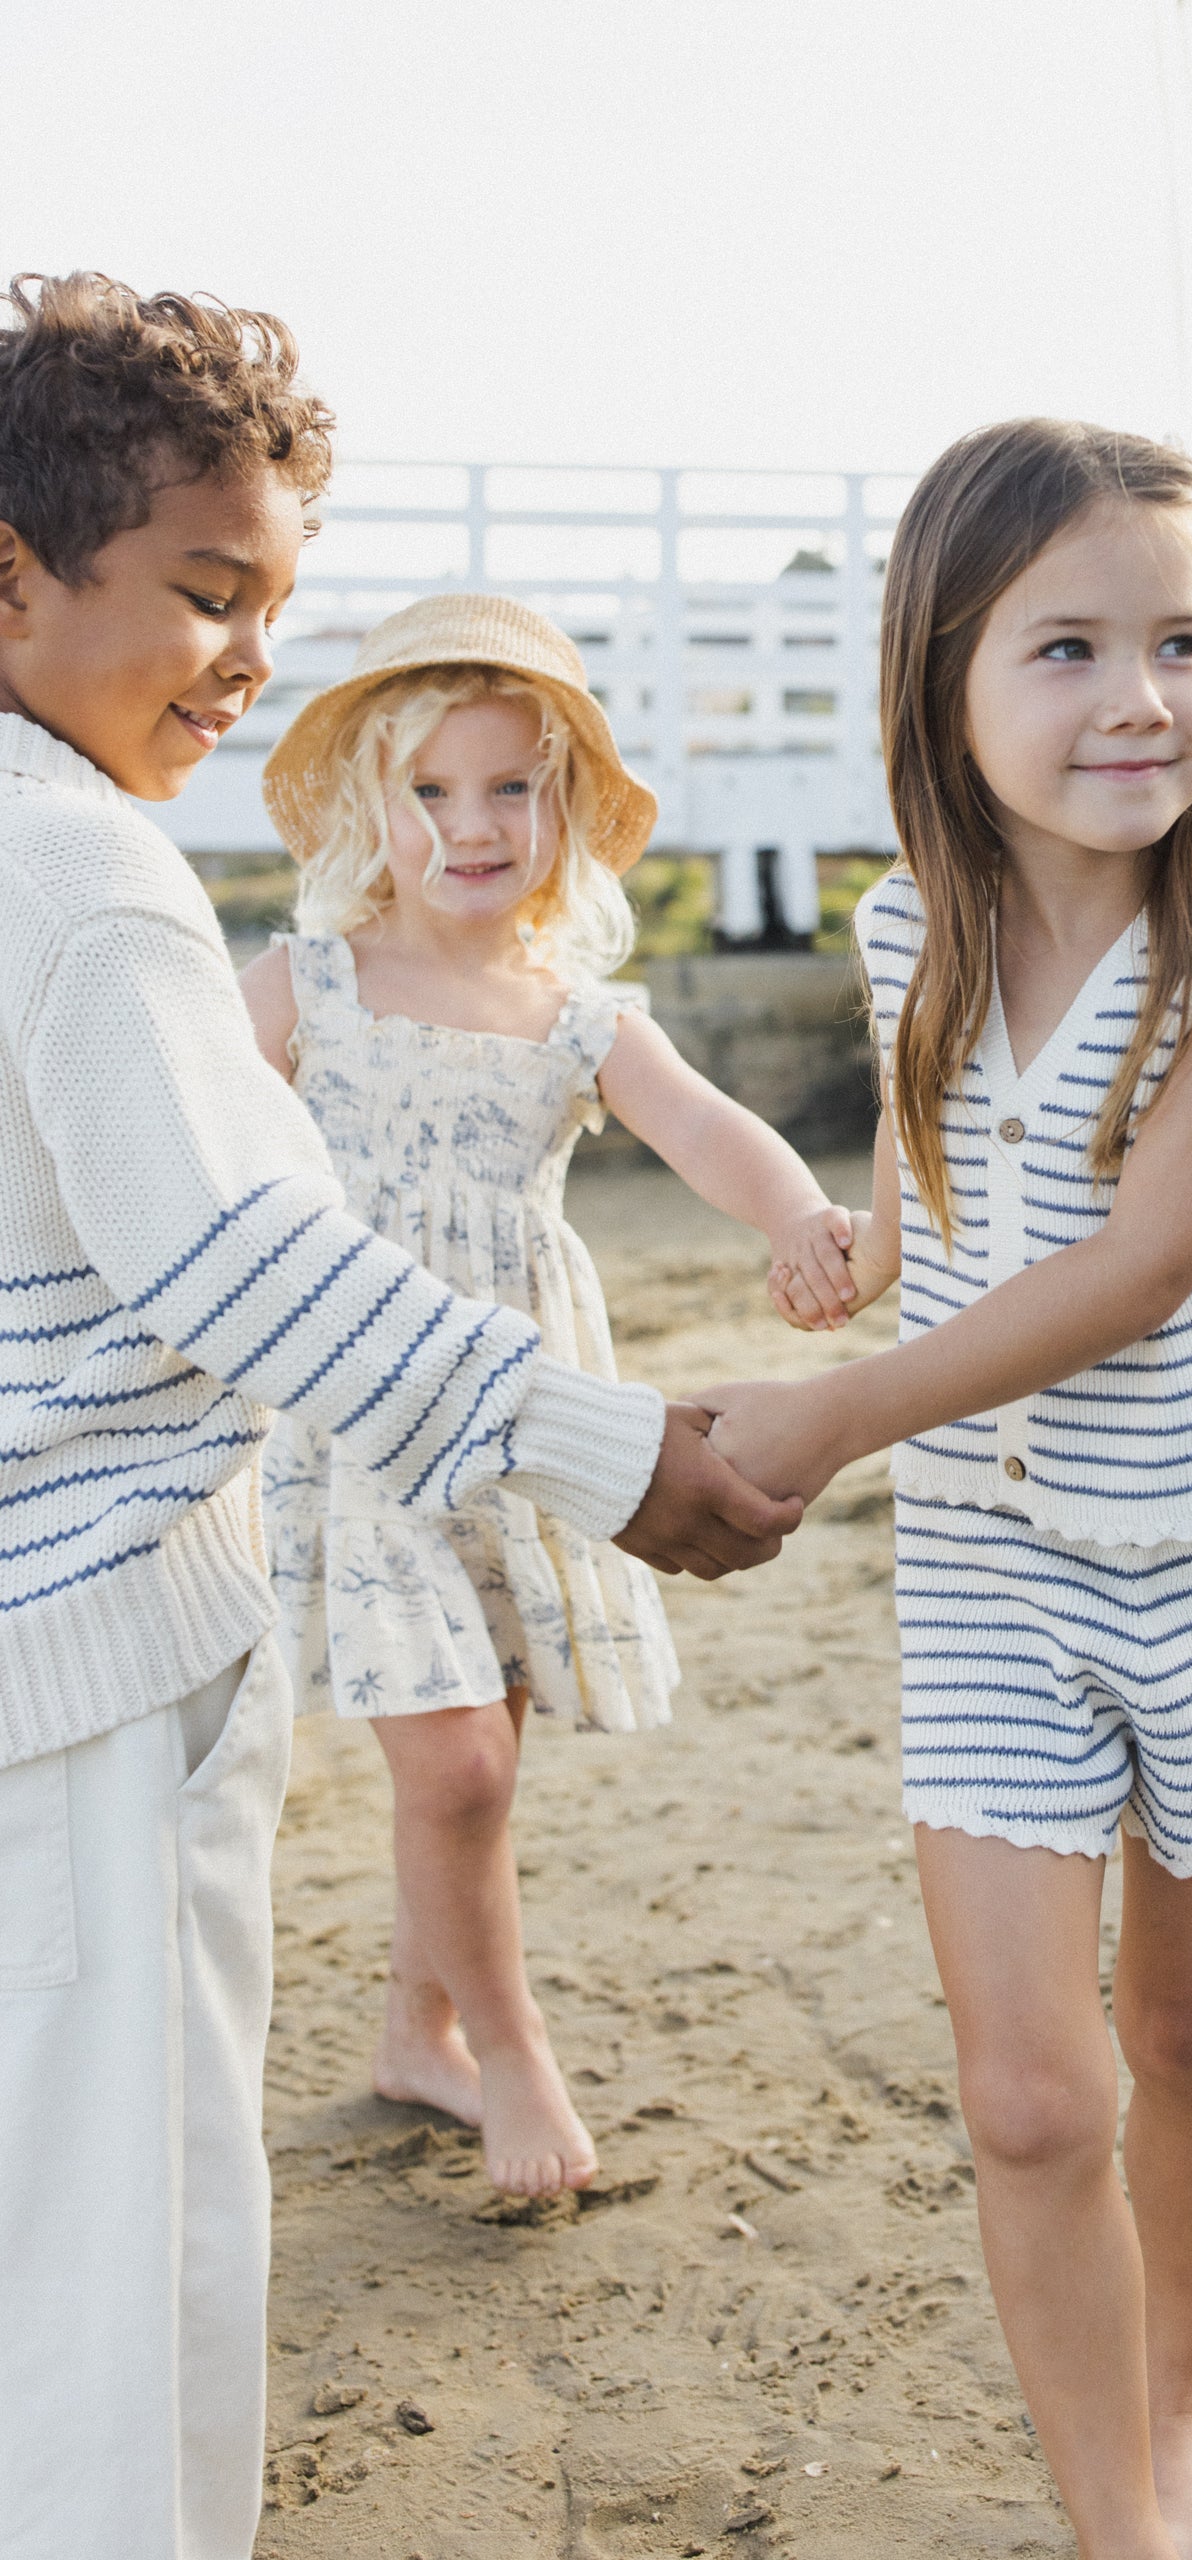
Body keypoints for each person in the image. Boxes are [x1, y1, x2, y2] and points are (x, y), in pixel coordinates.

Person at [0, 273, 797, 2560]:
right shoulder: (85, 880)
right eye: (207, 594)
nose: (247, 655)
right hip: (86, 1682)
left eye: (275, 603)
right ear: (16, 572)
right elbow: (249, 1251)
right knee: (116, 2285)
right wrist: (620, 1451)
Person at [709, 418, 1192, 2560]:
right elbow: (961, 1206)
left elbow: (1140, 1266)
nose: (1138, 694)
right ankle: (1125, 2515)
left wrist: (832, 1415)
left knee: (1185, 2024)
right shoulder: (900, 927)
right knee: (1032, 2093)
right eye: (1066, 646)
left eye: (1182, 642)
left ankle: (1181, 2403)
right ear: (946, 679)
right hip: (991, 1565)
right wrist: (851, 1260)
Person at [241, 593, 859, 2198]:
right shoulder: (307, 982)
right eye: (433, 791)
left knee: (484, 1736)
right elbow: (186, 1145)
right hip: (362, 1402)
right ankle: (510, 2055)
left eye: (510, 788)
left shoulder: (578, 1017)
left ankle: (410, 2031)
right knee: (456, 1767)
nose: (473, 825)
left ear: (561, 808)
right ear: (371, 808)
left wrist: (800, 1218)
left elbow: (714, 1130)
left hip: (521, 1419)